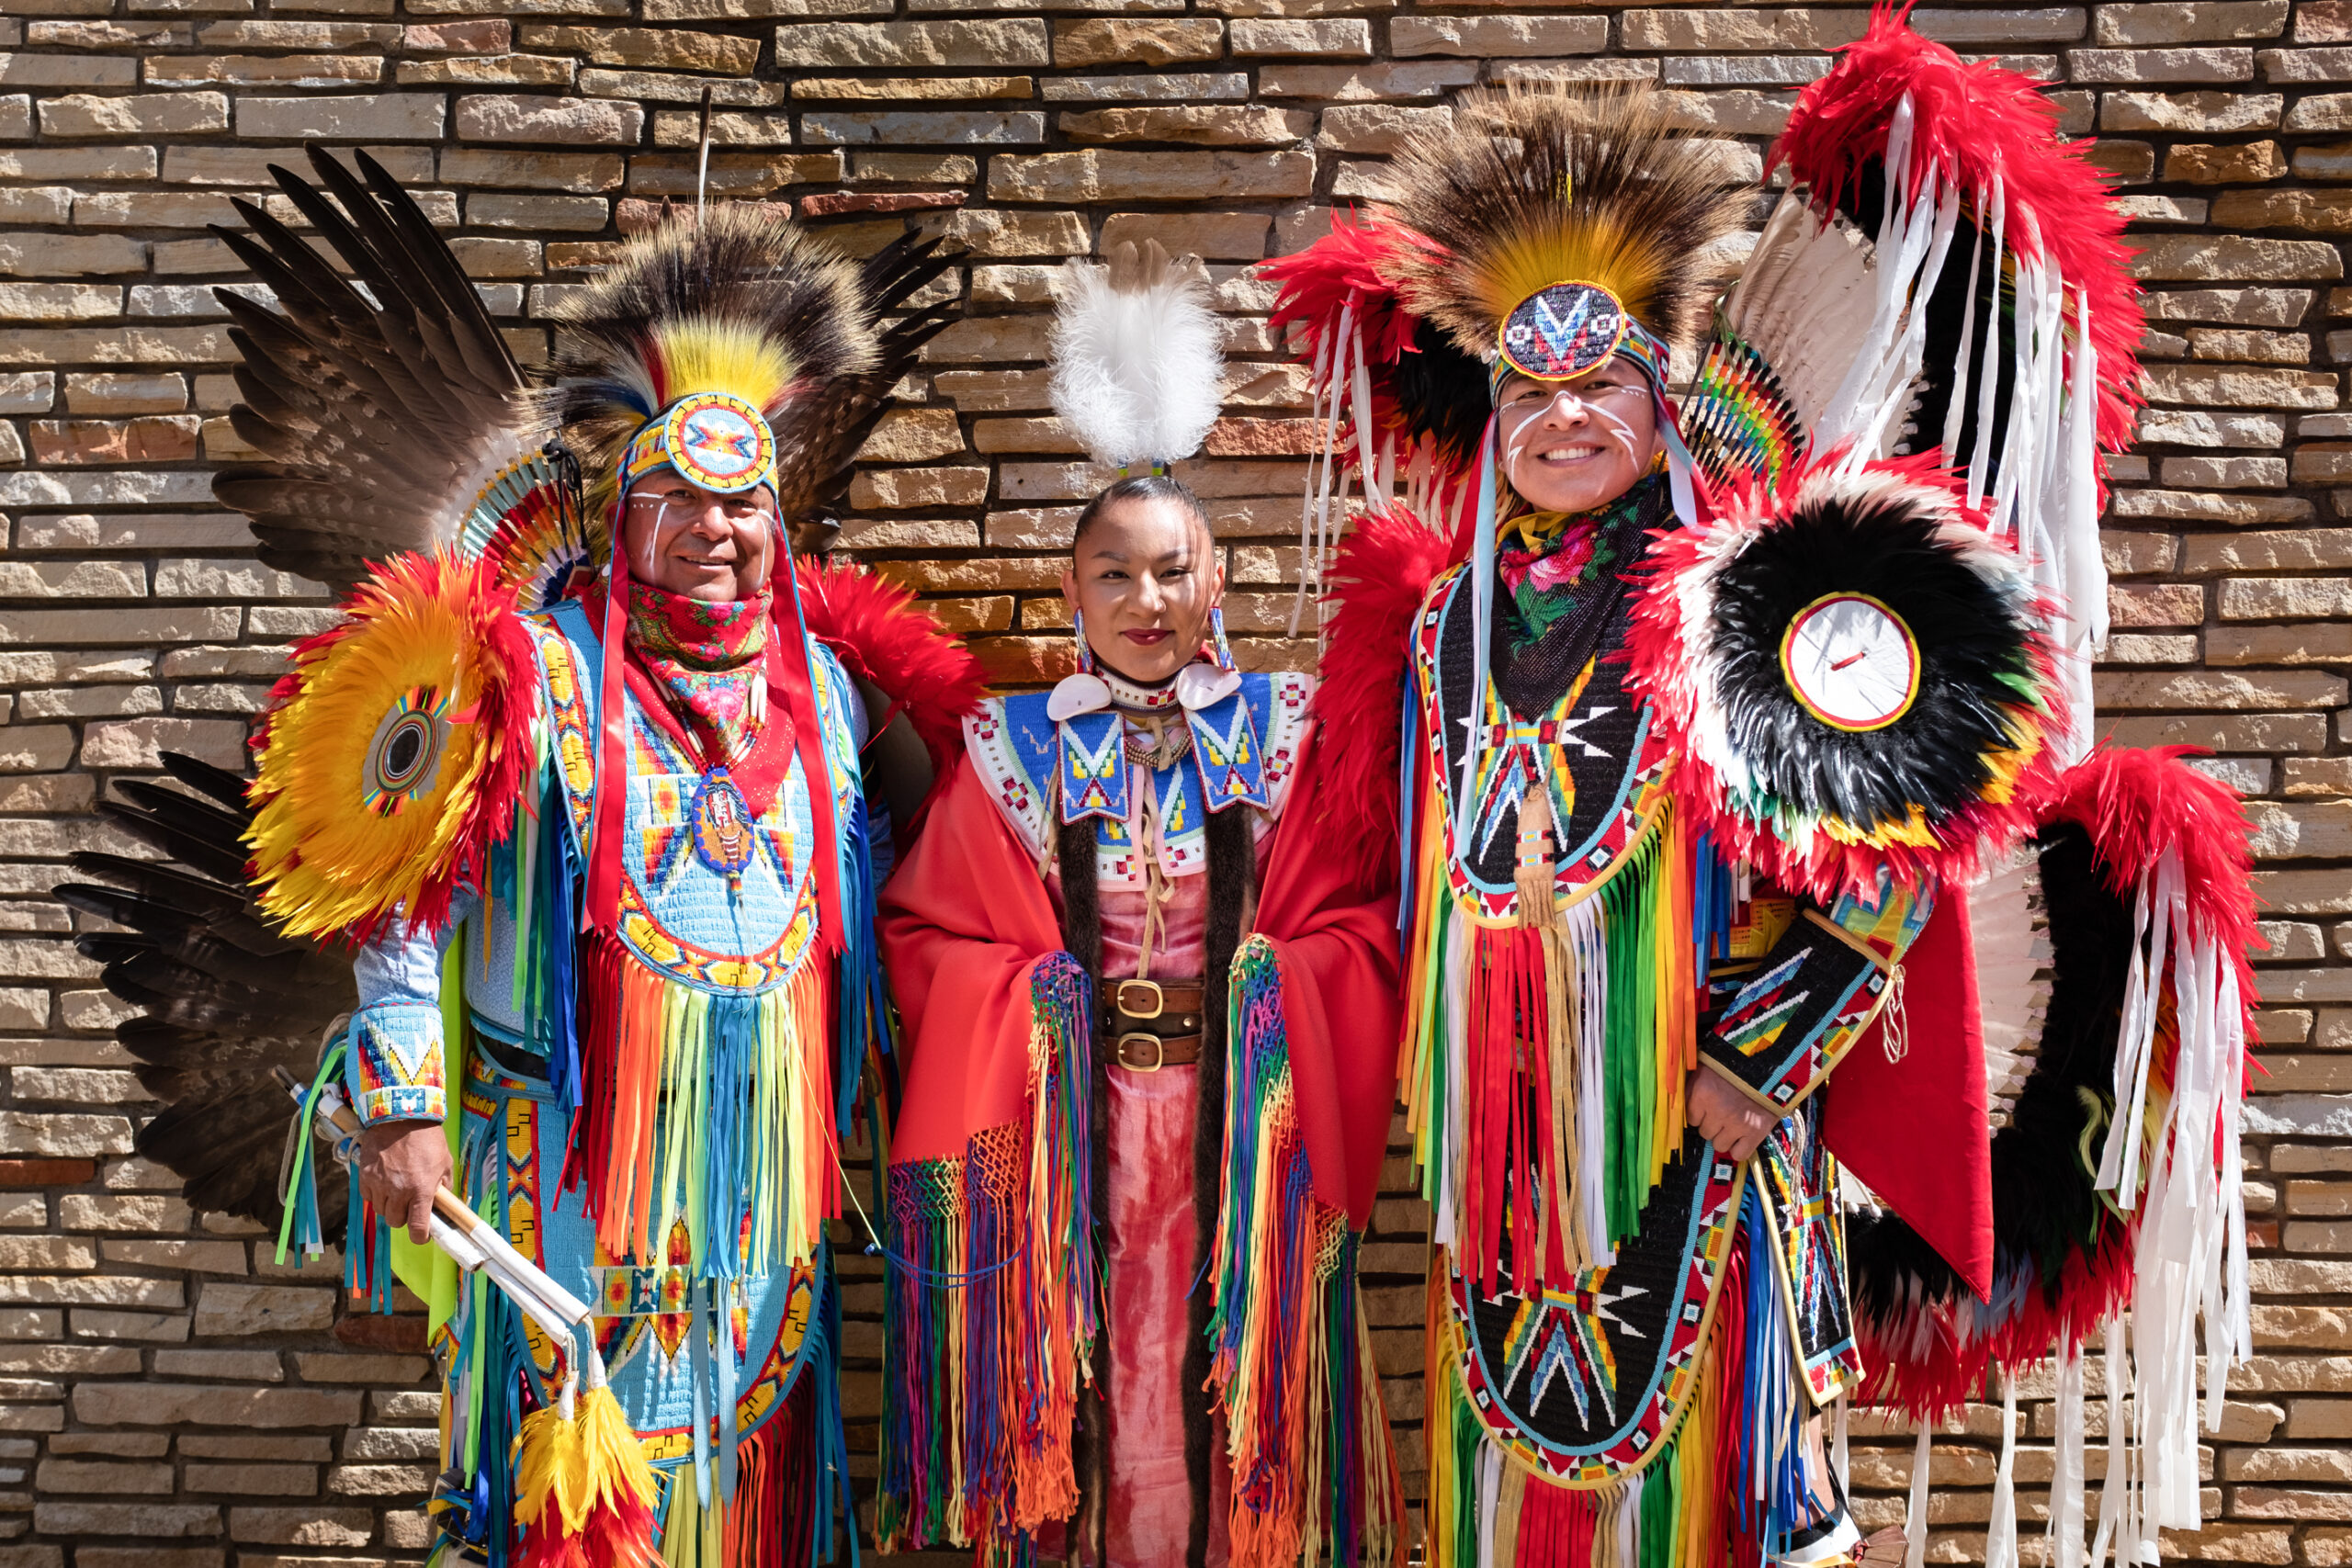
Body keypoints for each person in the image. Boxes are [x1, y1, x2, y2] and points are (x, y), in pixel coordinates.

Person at [1266, 24, 2215, 1564]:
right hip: (1506, 1146)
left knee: (1712, 1483)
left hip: (1693, 1114)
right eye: (1533, 392)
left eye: (1601, 386)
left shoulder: (1744, 590)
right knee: (1513, 1488)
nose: (1565, 419)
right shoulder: (1444, 622)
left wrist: (1756, 1068)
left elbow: (1893, 840)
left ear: (1655, 395)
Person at [167, 170, 979, 1568]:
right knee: (566, 1472)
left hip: (763, 1178)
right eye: (681, 502)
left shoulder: (831, 703)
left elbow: (892, 900)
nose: (718, 534)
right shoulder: (534, 680)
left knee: (742, 1472)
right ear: (627, 516)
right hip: (569, 1160)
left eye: (746, 508)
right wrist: (408, 1104)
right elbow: (401, 900)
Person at [872, 245, 1403, 1567]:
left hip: (1239, 1134)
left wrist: (1281, 993)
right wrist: (1036, 1005)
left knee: (1228, 1377)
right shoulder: (1012, 749)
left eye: (1173, 572)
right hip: (1070, 1129)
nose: (1147, 601)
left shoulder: (1283, 738)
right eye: (1115, 575)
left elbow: (1364, 927)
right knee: (1089, 1374)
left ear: (1215, 580)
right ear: (1074, 595)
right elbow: (928, 934)